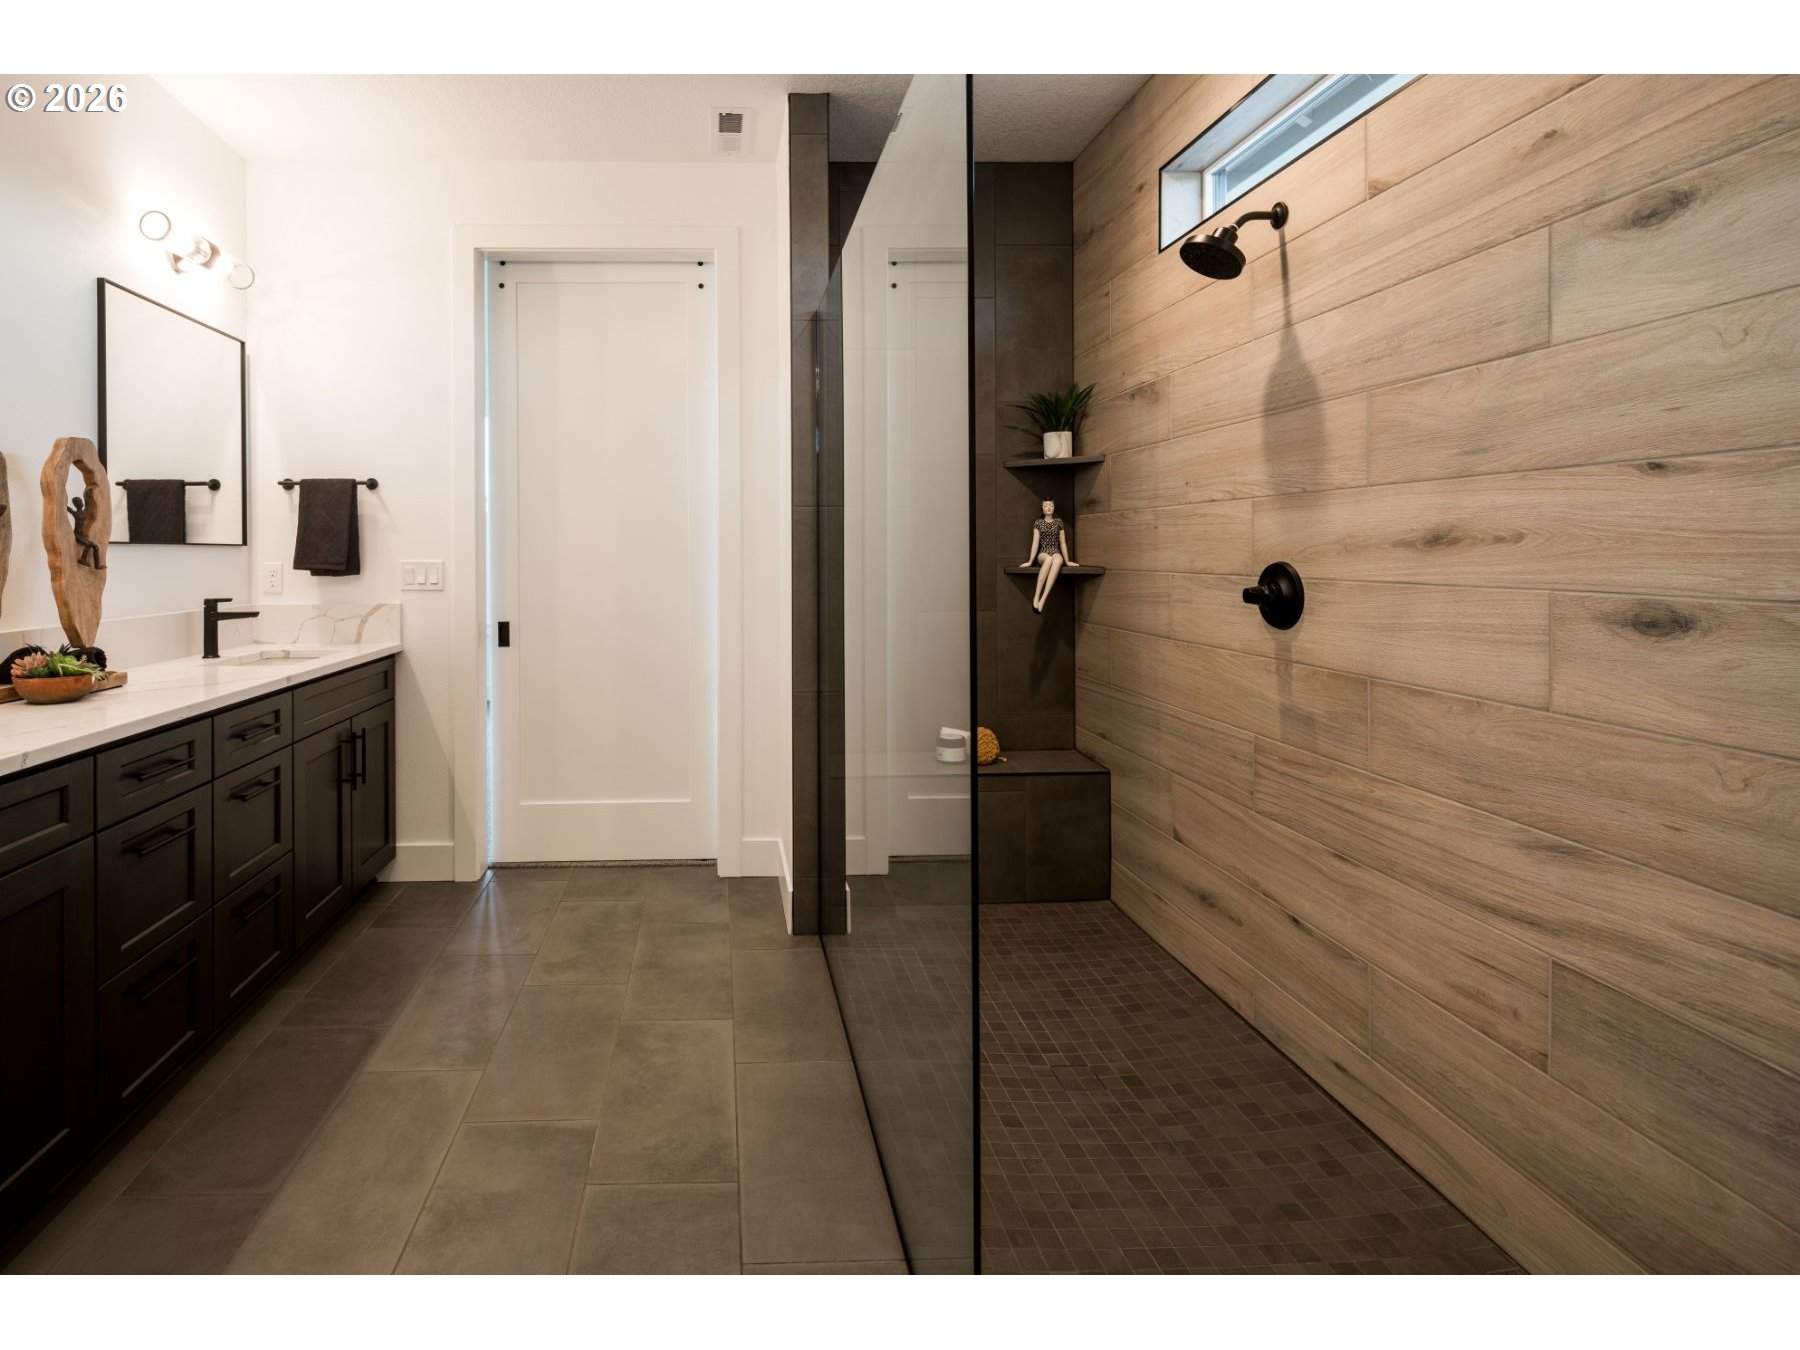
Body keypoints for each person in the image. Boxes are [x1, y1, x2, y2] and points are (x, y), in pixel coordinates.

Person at [1021, 498, 1075, 613]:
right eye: (1046, 505)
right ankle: (1036, 596)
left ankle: (1043, 600)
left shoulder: (1059, 522)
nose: (1049, 507)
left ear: (1054, 507)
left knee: (1057, 561)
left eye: (1051, 505)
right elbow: (1035, 543)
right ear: (1042, 508)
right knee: (1049, 559)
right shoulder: (1038, 523)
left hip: (1056, 552)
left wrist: (1067, 561)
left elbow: (1062, 542)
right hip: (1043, 553)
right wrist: (1030, 561)